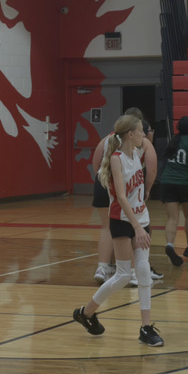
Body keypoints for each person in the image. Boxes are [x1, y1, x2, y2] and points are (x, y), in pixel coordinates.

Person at [73, 114, 164, 347]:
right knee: (124, 275)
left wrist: (142, 222)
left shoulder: (137, 152)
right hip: (123, 220)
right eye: (141, 130)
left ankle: (145, 328)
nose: (145, 133)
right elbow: (121, 197)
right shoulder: (116, 158)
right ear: (130, 134)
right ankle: (87, 312)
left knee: (143, 271)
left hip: (142, 217)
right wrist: (136, 227)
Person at [158, 116, 188, 266]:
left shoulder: (173, 141)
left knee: (172, 218)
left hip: (167, 182)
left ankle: (170, 245)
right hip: (185, 183)